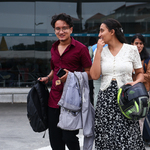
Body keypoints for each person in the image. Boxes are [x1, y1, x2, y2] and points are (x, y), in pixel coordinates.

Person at [39, 13, 92, 150]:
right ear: (54, 30)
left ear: (71, 29)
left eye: (64, 28)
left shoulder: (81, 48)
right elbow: (54, 69)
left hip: (72, 101)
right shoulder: (53, 48)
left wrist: (72, 76)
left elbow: (90, 73)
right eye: (58, 29)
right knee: (55, 140)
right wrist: (48, 78)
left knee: (69, 138)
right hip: (54, 99)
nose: (61, 32)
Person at [90, 18, 145, 150]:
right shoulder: (100, 51)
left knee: (128, 137)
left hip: (126, 98)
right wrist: (97, 51)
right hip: (105, 100)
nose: (99, 34)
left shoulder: (131, 49)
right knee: (106, 138)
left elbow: (140, 73)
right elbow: (94, 75)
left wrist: (136, 83)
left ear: (112, 32)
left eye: (102, 30)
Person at [131, 33, 150, 147]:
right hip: (129, 92)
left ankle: (138, 142)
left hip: (143, 92)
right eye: (136, 43)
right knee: (129, 117)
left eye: (141, 43)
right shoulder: (128, 57)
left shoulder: (148, 59)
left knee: (140, 119)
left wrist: (137, 74)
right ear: (131, 44)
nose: (138, 46)